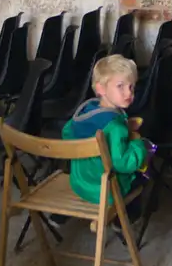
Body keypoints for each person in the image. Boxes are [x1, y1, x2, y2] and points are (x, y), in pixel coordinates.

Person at [62, 54, 153, 220]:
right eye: (121, 86)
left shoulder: (84, 111)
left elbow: (67, 133)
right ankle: (125, 220)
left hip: (79, 183)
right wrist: (138, 144)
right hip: (104, 191)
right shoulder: (115, 127)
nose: (129, 93)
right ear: (101, 88)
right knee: (143, 175)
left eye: (131, 87)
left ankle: (58, 216)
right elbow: (124, 163)